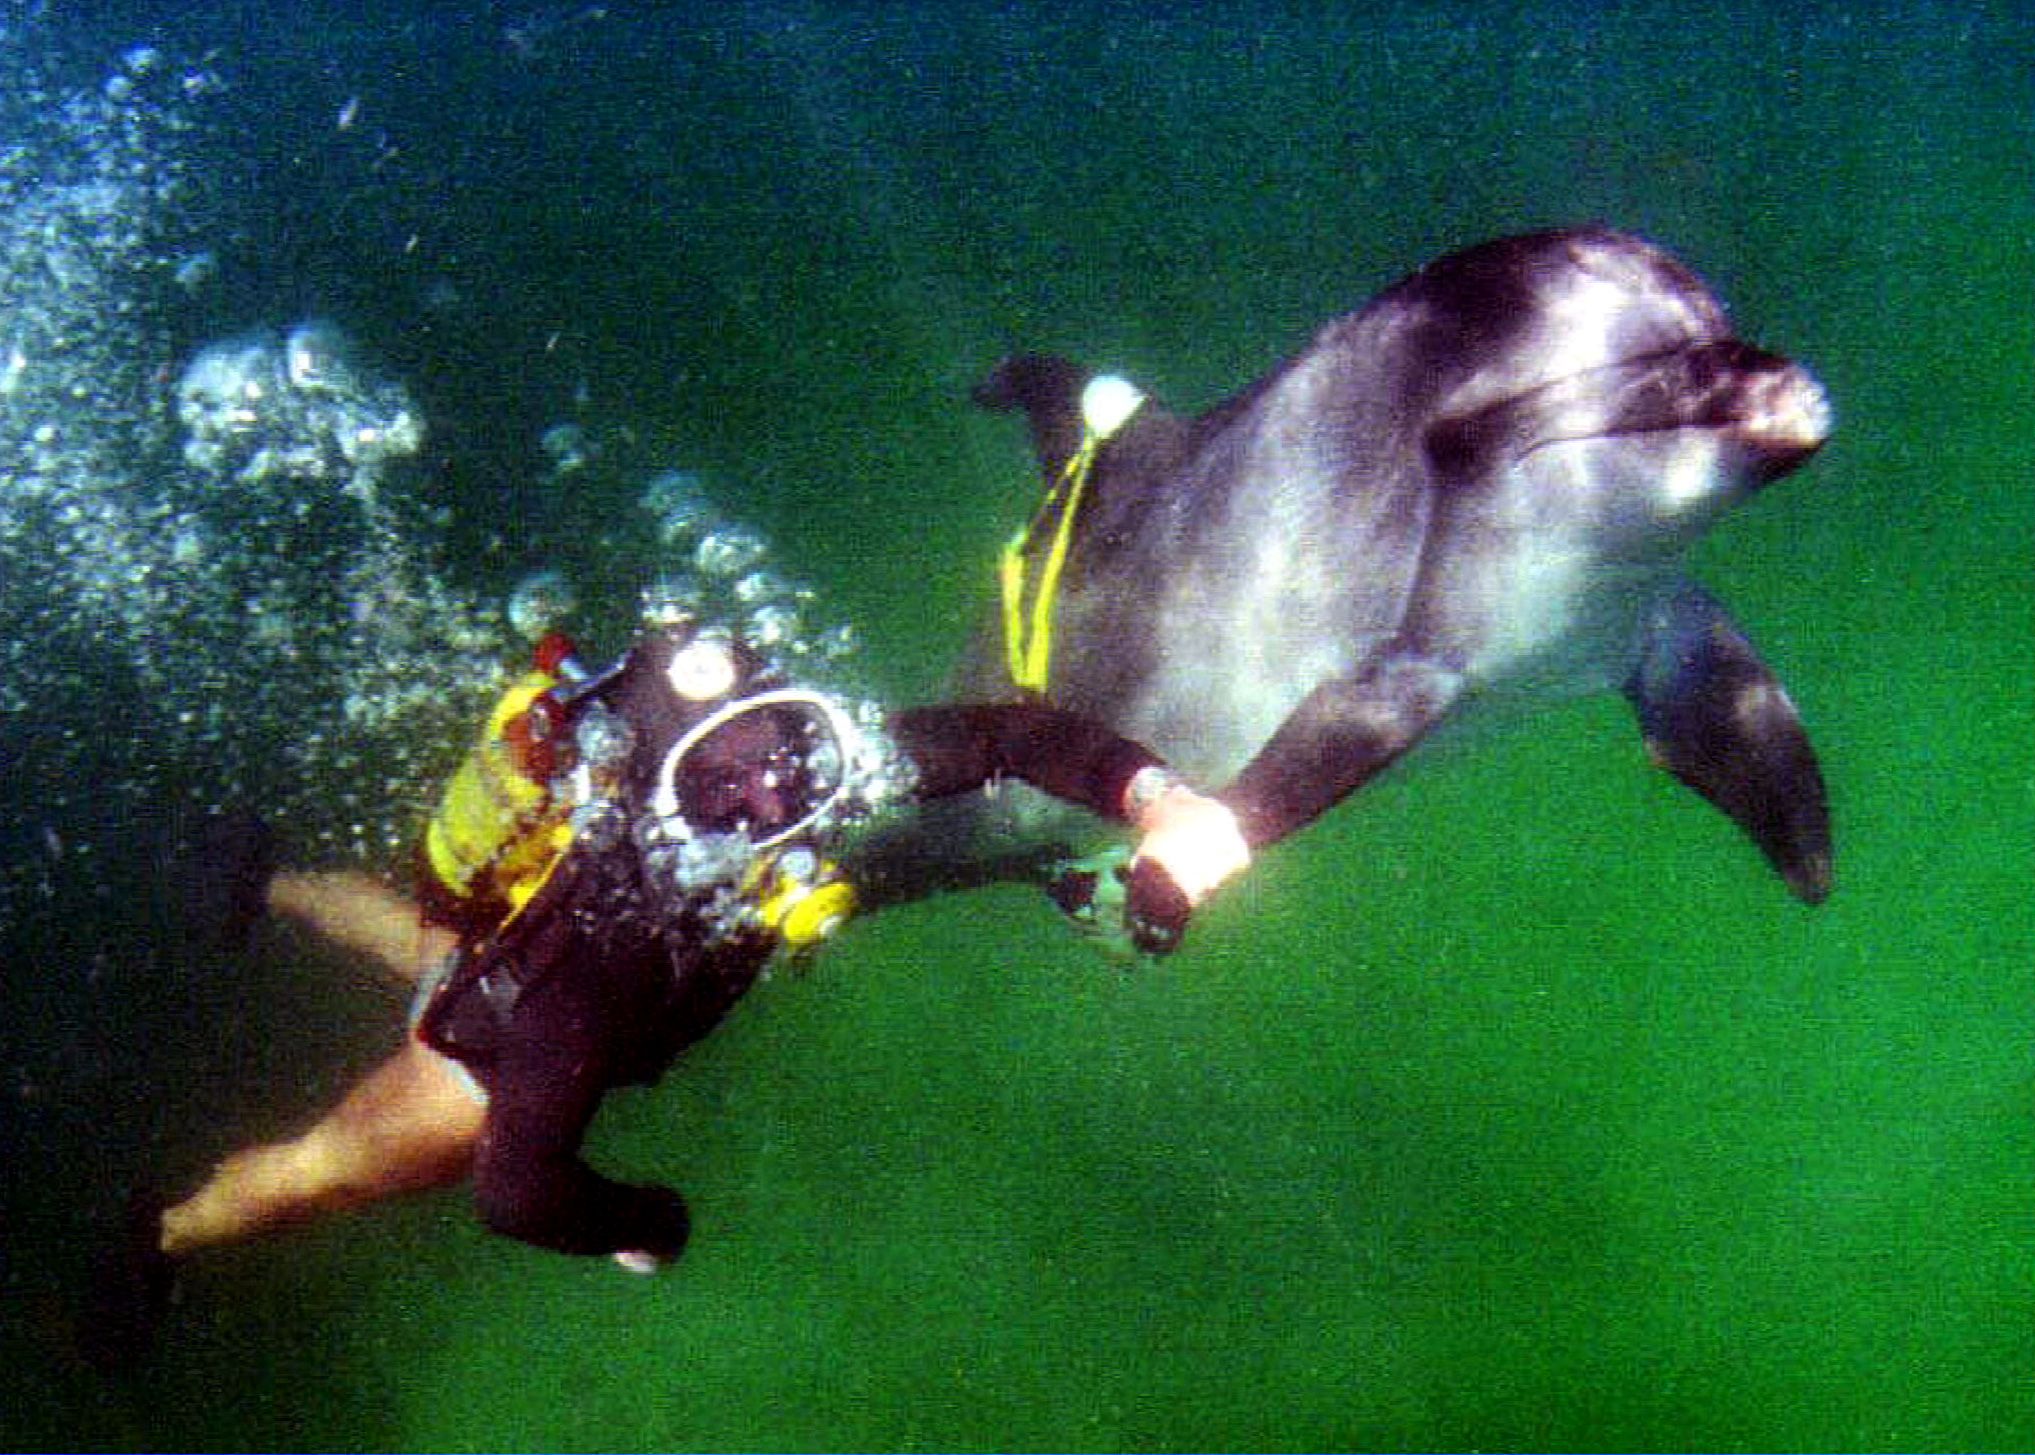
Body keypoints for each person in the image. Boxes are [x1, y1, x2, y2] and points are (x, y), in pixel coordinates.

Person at [85, 615, 1248, 1365]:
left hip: (521, 939)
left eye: (790, 755)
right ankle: (164, 1235)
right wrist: (648, 1224)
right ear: (668, 813)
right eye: (729, 799)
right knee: (337, 1163)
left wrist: (1159, 801)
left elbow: (1012, 733)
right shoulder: (589, 988)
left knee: (437, 946)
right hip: (512, 1020)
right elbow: (518, 1195)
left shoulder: (813, 767)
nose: (777, 809)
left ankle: (268, 879)